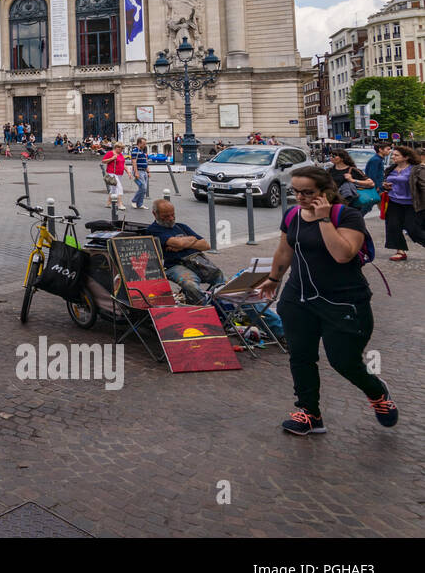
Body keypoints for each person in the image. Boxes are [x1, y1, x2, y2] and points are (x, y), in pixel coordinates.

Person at [256, 166, 397, 436]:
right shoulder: (292, 215)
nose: (300, 197)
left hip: (344, 302)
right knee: (301, 357)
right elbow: (284, 250)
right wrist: (273, 279)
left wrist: (323, 220)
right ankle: (310, 413)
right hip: (298, 298)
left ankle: (376, 392)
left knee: (343, 361)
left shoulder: (347, 216)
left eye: (307, 192)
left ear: (325, 191)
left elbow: (342, 255)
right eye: (295, 191)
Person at [147, 200, 225, 304]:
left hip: (195, 261)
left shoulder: (181, 226)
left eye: (172, 215)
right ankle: (207, 308)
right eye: (165, 216)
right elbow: (178, 243)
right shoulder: (153, 230)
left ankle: (227, 308)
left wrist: (183, 243)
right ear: (155, 214)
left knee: (223, 280)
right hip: (173, 266)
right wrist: (191, 241)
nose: (170, 218)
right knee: (190, 284)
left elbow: (206, 245)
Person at [380, 145, 425, 261]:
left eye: (396, 155)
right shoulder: (391, 169)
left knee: (413, 229)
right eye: (393, 155)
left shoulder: (416, 169)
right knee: (393, 226)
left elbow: (423, 186)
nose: (393, 157)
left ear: (406, 157)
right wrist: (385, 185)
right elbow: (386, 182)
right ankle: (400, 251)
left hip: (411, 203)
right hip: (394, 202)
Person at [102, 142, 127, 210]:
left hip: (119, 174)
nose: (122, 150)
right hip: (112, 173)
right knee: (119, 187)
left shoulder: (120, 154)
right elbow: (103, 161)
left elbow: (123, 164)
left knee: (113, 189)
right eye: (121, 148)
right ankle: (120, 204)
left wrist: (128, 172)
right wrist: (112, 158)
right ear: (116, 147)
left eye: (122, 149)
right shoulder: (110, 153)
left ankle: (108, 203)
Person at [130, 137, 150, 210]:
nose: (145, 145)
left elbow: (145, 162)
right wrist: (136, 172)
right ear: (139, 143)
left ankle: (140, 204)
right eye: (144, 143)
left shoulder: (142, 151)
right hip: (139, 171)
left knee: (143, 188)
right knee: (143, 187)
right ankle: (134, 200)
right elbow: (134, 162)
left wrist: (148, 171)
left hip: (144, 171)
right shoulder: (135, 151)